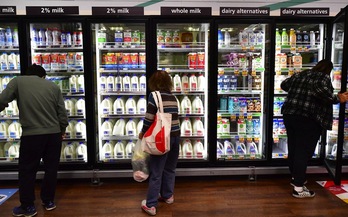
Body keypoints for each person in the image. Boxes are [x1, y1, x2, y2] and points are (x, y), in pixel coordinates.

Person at [0, 64, 68, 216]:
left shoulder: (18, 81)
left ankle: (28, 206)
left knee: (27, 170)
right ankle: (48, 201)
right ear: (42, 76)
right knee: (51, 169)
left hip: (32, 135)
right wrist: (62, 130)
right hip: (53, 134)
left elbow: (2, 100)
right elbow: (61, 112)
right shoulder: (53, 86)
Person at [280, 59, 348, 198]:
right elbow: (322, 93)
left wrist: (298, 89)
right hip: (308, 118)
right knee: (303, 152)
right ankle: (298, 188)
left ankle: (295, 178)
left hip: (290, 114)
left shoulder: (301, 74)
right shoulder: (322, 78)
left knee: (293, 148)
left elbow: (284, 84)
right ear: (329, 70)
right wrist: (337, 98)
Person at [139, 70, 180, 216]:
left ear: (154, 83)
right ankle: (168, 196)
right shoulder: (173, 97)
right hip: (176, 137)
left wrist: (143, 132)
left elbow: (149, 117)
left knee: (156, 172)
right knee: (170, 169)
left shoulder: (154, 96)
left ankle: (150, 204)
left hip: (162, 139)